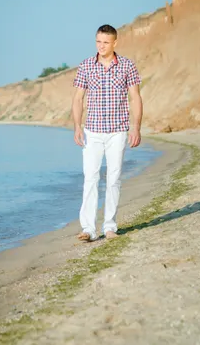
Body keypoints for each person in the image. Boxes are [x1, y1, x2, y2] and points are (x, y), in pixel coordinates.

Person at [72, 24, 143, 241]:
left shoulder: (127, 66)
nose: (101, 46)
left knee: (113, 178)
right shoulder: (85, 66)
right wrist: (77, 126)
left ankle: (110, 227)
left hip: (118, 131)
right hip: (92, 131)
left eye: (105, 42)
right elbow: (77, 99)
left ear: (115, 43)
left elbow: (136, 98)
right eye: (98, 41)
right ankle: (88, 229)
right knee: (91, 178)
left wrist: (136, 127)